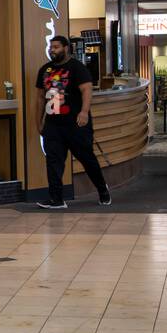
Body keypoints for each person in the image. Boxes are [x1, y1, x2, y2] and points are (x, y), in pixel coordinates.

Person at [35, 35, 111, 209]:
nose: (52, 50)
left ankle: (102, 190)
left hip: (75, 123)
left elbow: (86, 90)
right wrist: (39, 122)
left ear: (66, 48)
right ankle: (56, 199)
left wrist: (84, 112)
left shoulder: (77, 68)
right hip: (53, 123)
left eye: (56, 47)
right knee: (53, 161)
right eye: (51, 47)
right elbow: (39, 98)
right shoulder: (45, 70)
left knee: (87, 158)